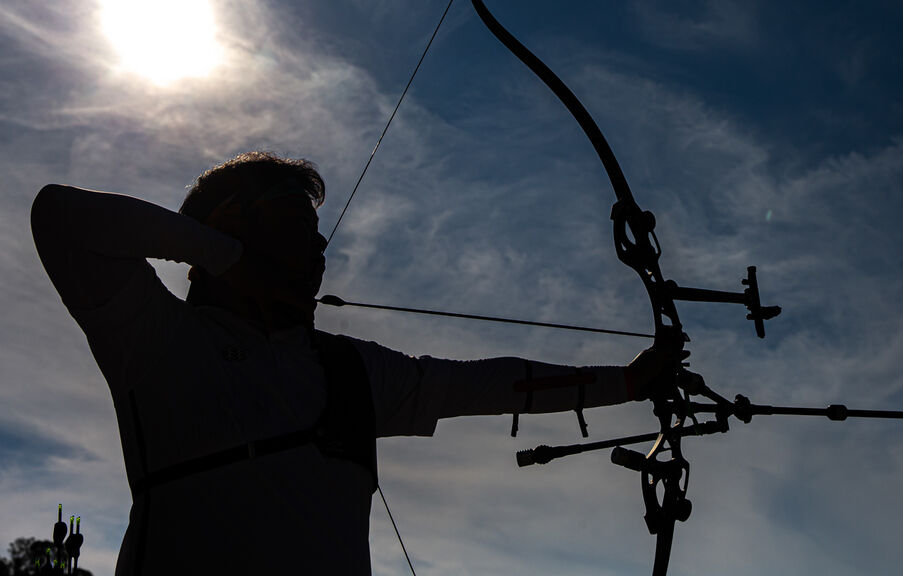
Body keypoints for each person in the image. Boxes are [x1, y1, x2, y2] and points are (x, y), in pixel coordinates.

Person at [30, 151, 665, 576]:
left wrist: (629, 382)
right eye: (294, 228)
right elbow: (58, 216)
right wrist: (227, 256)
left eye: (316, 235)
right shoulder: (157, 339)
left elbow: (485, 384)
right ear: (227, 229)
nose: (318, 248)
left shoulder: (347, 369)